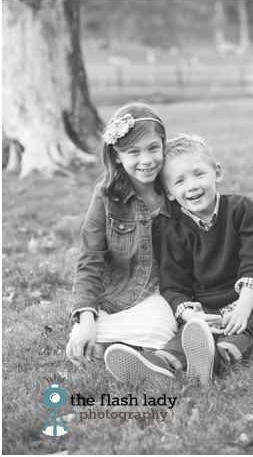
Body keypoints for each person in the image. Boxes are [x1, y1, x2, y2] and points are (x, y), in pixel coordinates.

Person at [106, 134, 253, 386]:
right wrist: (191, 315)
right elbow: (173, 284)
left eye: (199, 174)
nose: (192, 186)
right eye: (179, 181)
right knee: (190, 333)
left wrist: (243, 307)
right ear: (168, 192)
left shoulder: (242, 210)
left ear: (216, 173)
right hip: (205, 307)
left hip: (250, 298)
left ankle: (217, 359)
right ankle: (159, 364)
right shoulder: (169, 228)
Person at [65, 102, 178, 384]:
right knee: (82, 338)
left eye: (153, 148)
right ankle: (120, 347)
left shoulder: (176, 188)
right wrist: (87, 319)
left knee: (161, 326)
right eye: (133, 152)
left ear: (163, 145)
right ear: (116, 157)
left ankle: (137, 354)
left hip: (160, 296)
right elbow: (90, 259)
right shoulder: (105, 197)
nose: (146, 160)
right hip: (117, 295)